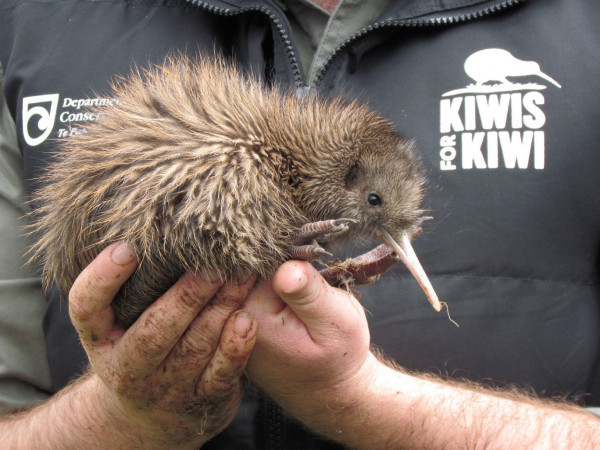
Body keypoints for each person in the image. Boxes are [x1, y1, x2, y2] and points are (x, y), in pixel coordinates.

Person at [0, 0, 599, 447]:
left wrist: (358, 400)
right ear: (345, 179)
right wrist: (120, 417)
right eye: (376, 213)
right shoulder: (28, 21)